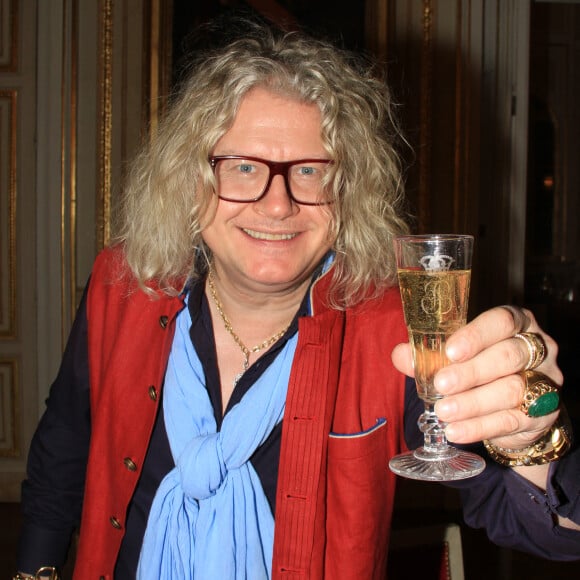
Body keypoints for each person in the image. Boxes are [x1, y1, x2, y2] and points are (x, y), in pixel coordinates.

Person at [16, 15, 580, 580]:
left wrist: (531, 437)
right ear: (190, 181)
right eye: (242, 167)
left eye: (309, 171)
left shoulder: (393, 330)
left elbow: (549, 533)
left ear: (348, 193)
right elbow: (62, 450)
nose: (279, 204)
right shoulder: (123, 285)